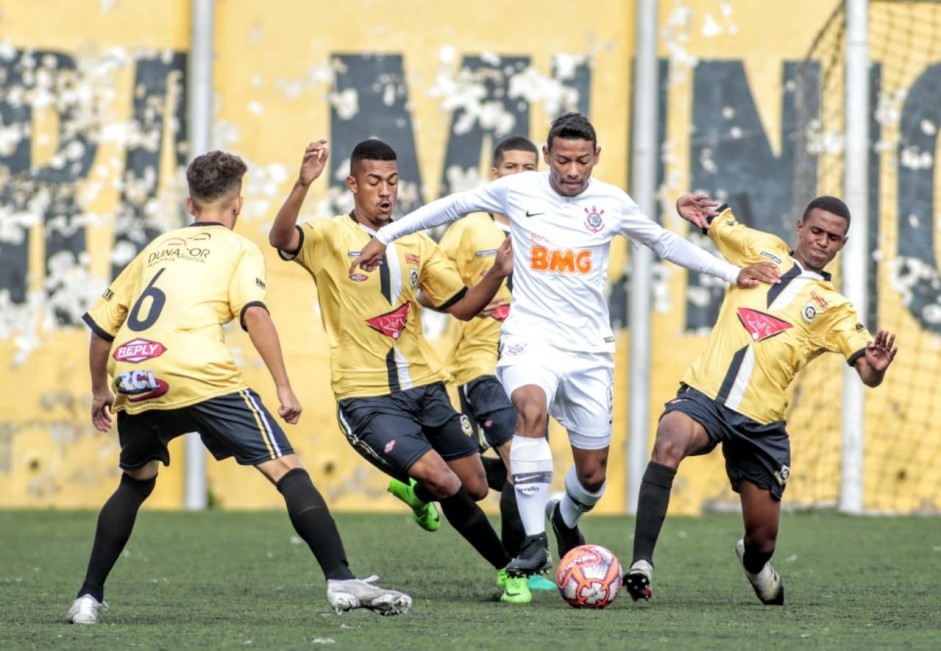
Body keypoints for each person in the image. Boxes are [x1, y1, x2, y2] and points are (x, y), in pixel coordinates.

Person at [350, 112, 781, 581]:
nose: (572, 171)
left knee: (592, 476)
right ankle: (534, 545)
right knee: (529, 411)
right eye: (561, 161)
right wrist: (384, 235)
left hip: (588, 351)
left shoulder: (611, 202)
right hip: (530, 338)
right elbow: (451, 206)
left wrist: (731, 273)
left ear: (596, 156)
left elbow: (661, 242)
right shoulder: (519, 191)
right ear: (546, 156)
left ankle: (564, 516)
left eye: (581, 161)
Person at [67, 151, 411, 625]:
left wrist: (99, 390)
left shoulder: (157, 247)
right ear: (238, 205)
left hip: (135, 373)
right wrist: (284, 386)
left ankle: (88, 598)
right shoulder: (239, 249)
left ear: (191, 205)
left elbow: (101, 328)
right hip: (200, 372)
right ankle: (340, 577)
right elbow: (254, 314)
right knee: (287, 470)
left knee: (135, 480)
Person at [267, 138, 533, 604]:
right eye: (373, 182)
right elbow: (281, 238)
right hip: (367, 396)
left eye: (391, 181)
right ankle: (510, 570)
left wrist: (495, 274)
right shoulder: (330, 237)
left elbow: (463, 308)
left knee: (472, 485)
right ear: (353, 185)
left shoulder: (416, 241)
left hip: (426, 387)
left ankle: (416, 490)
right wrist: (303, 183)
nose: (385, 191)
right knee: (448, 482)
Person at [624, 195, 898, 605]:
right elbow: (713, 221)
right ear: (800, 226)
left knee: (762, 540)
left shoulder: (836, 309)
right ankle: (641, 565)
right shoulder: (760, 246)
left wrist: (876, 365)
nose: (823, 241)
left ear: (842, 244)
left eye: (834, 237)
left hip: (760, 424)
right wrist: (693, 211)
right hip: (706, 397)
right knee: (669, 440)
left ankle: (754, 565)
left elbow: (867, 374)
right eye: (818, 230)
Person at [414, 135, 554, 591]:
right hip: (481, 366)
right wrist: (472, 305)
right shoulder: (470, 227)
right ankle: (522, 566)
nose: (520, 175)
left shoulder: (551, 226)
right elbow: (425, 289)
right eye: (510, 167)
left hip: (533, 365)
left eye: (528, 168)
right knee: (521, 464)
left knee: (523, 468)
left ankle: (424, 479)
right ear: (495, 175)